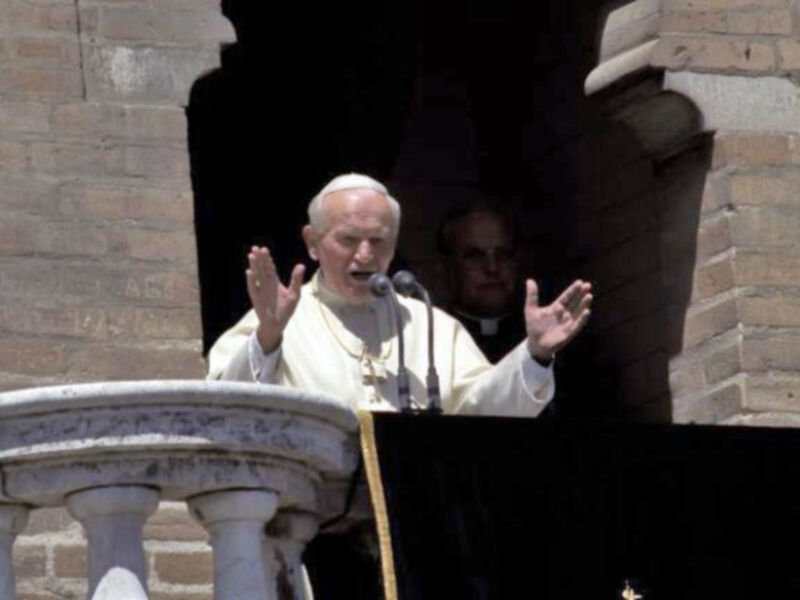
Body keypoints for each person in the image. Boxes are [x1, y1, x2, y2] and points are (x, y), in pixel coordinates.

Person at [207, 173, 592, 418]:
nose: (365, 254)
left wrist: (535, 355)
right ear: (312, 242)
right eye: (348, 240)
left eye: (379, 240)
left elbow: (483, 412)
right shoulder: (279, 319)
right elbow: (227, 410)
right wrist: (269, 338)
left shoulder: (430, 326)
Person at [436, 201, 526, 364]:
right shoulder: (431, 341)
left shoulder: (545, 339)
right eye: (474, 256)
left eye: (504, 254)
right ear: (447, 269)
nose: (493, 268)